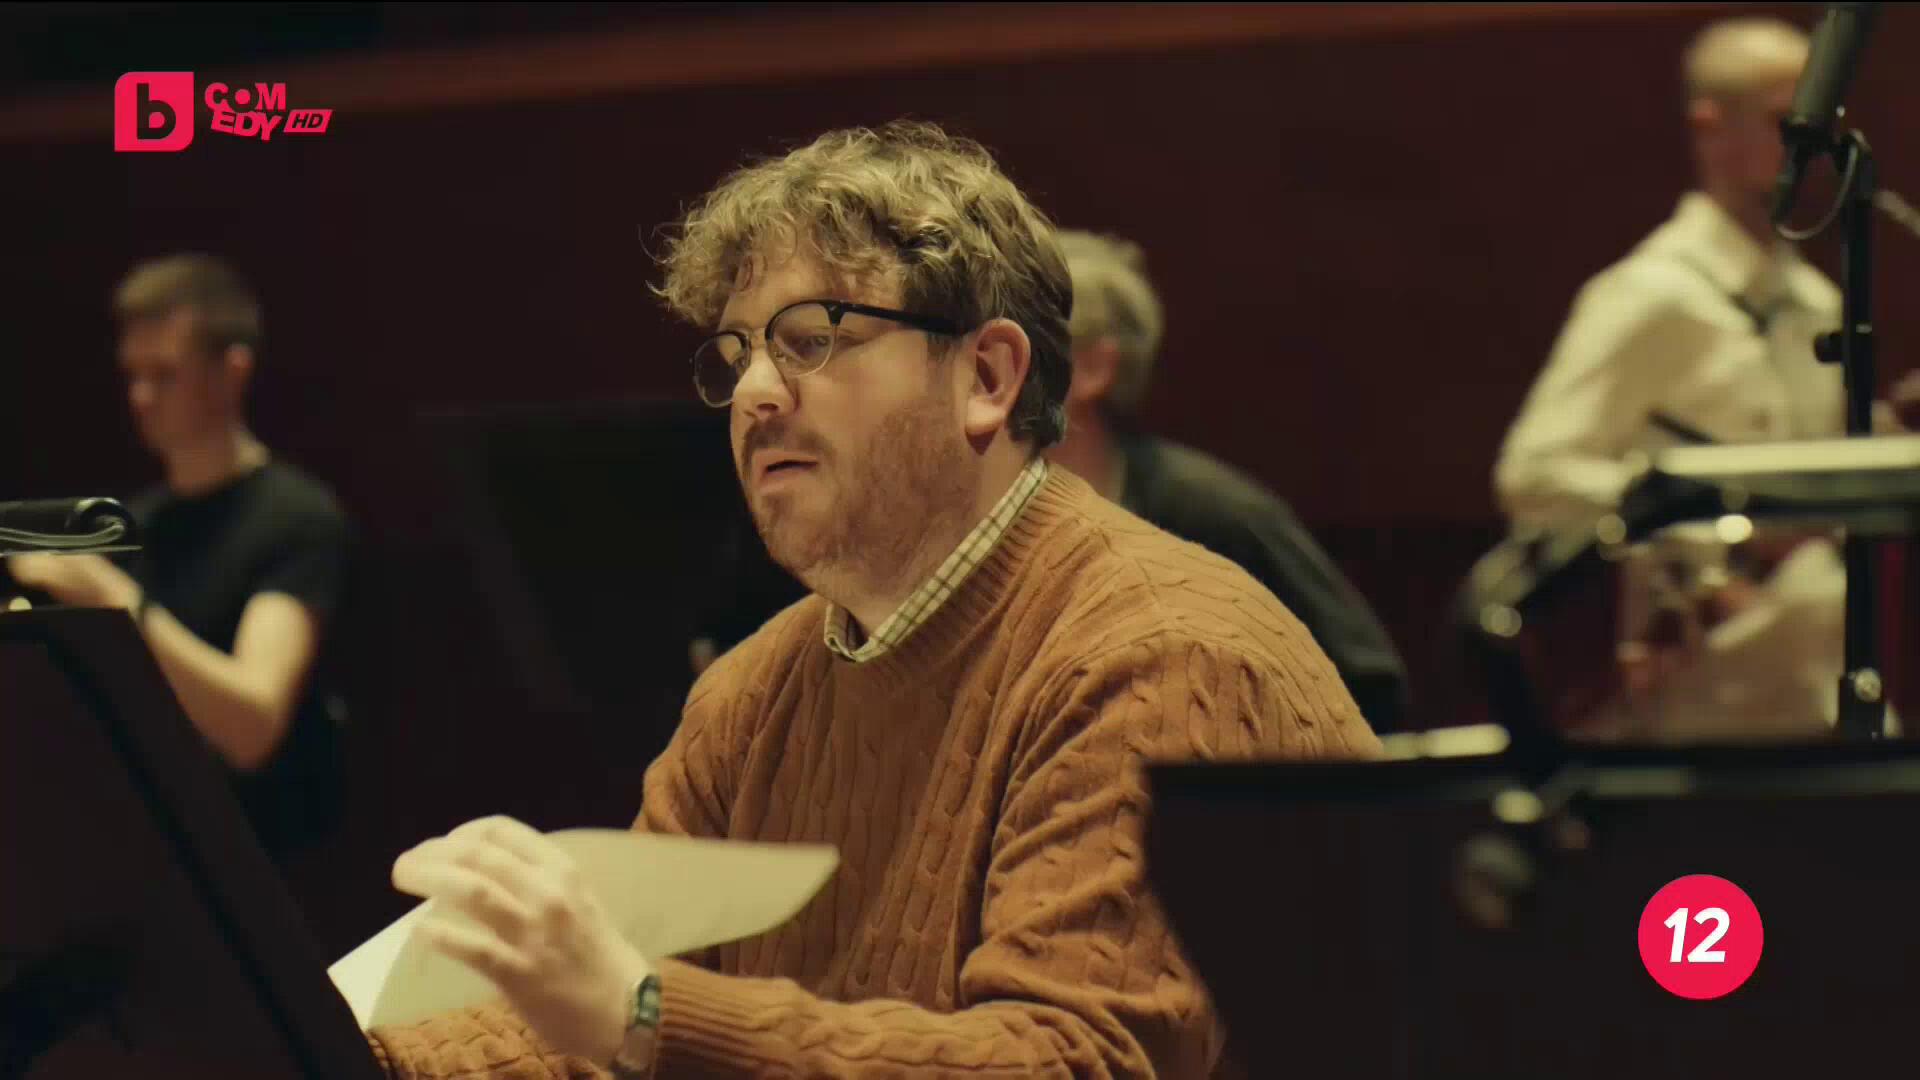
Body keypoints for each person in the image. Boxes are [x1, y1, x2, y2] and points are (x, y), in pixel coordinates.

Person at [368, 121, 1381, 1079]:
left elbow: (1067, 1061)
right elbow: (582, 1023)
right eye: (738, 353)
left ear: (987, 376)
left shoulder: (1163, 657)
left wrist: (643, 1013)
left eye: (812, 337)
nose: (756, 393)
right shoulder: (748, 697)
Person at [1493, 17, 1908, 741]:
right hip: (1701, 710)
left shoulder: (1815, 302)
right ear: (1710, 129)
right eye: (1785, 121)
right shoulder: (1652, 295)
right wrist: (1711, 528)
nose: (1813, 146)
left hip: (1818, 687)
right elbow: (1533, 475)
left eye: (1822, 122)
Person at [8, 253, 354, 858]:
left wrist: (112, 597)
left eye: (165, 374)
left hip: (265, 859)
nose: (142, 396)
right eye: (133, 375)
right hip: (145, 852)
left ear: (232, 372)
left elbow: (252, 729)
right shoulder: (135, 522)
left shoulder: (297, 518)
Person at [1046, 229, 1411, 732]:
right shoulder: (988, 513)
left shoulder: (1219, 516)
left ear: (1091, 367)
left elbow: (1370, 684)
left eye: (1023, 343)